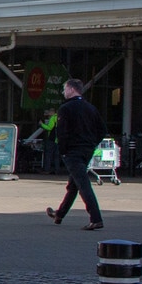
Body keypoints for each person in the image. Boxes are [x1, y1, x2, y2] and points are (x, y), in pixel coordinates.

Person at [45, 78, 106, 230]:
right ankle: (59, 214)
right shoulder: (91, 108)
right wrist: (91, 145)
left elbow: (62, 132)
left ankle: (96, 218)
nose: (63, 92)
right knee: (73, 185)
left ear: (72, 89)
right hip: (87, 150)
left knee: (83, 184)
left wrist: (63, 151)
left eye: (65, 89)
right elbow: (102, 131)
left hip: (73, 151)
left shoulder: (65, 109)